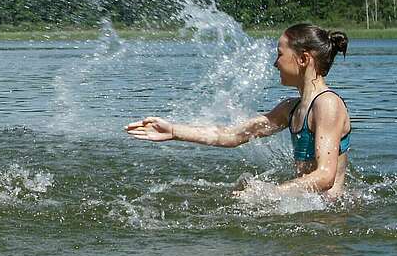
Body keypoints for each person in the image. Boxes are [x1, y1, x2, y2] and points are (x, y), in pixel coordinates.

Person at [126, 23, 351, 198]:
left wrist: (269, 193)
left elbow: (325, 176)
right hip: (310, 208)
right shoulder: (290, 108)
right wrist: (174, 131)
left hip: (331, 213)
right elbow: (233, 135)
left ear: (303, 59)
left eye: (280, 54)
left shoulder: (327, 104)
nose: (275, 63)